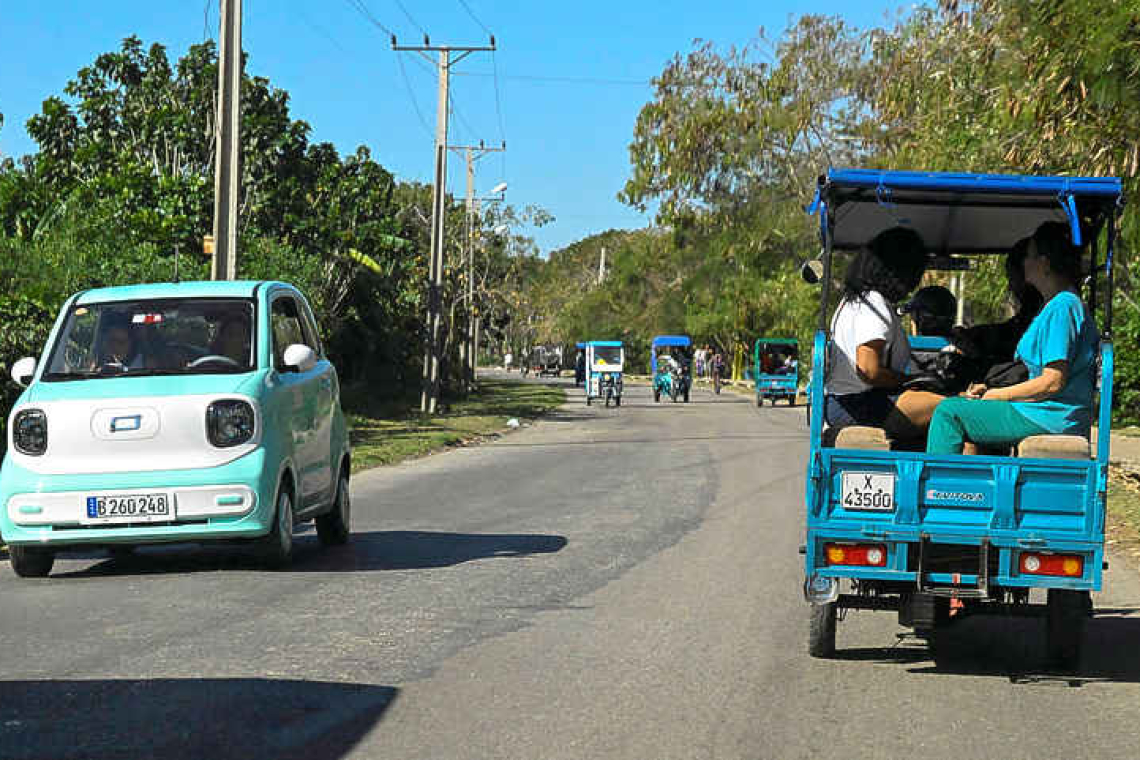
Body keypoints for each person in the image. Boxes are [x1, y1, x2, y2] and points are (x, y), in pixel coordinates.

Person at [927, 221, 1099, 455]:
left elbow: (1053, 381)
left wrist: (998, 395)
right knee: (959, 406)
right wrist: (991, 389)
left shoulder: (1063, 307)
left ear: (1044, 263)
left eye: (1028, 256)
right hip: (1045, 411)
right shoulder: (1057, 305)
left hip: (1050, 416)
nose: (1023, 263)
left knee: (948, 412)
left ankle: (937, 480)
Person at [824, 226, 945, 442]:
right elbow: (868, 370)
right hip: (861, 404)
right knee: (955, 408)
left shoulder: (857, 300)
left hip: (848, 402)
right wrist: (907, 380)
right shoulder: (874, 305)